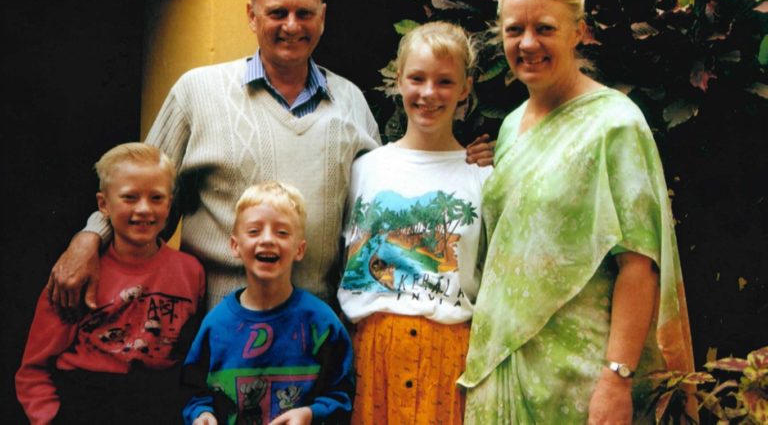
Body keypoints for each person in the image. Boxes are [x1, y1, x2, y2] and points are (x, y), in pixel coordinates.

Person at [47, 0, 381, 311]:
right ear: (252, 16)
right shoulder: (198, 93)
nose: (292, 25)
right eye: (277, 12)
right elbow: (142, 192)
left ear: (322, 17)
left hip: (317, 332)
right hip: (215, 326)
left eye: (304, 13)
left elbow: (380, 211)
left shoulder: (352, 102)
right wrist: (89, 237)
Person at [457, 0, 695, 424]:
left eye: (544, 28)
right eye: (514, 30)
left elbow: (639, 263)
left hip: (580, 382)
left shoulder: (615, 124)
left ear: (577, 32)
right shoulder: (509, 127)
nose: (527, 43)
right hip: (504, 367)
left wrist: (616, 379)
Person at [338, 22, 493, 424]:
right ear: (399, 81)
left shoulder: (484, 177)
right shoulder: (363, 169)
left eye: (445, 82)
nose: (428, 93)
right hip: (370, 355)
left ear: (465, 88)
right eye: (417, 78)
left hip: (451, 356)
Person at [16, 143, 206, 424]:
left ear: (170, 203)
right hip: (86, 405)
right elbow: (33, 371)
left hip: (158, 407)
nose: (144, 209)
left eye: (156, 198)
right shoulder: (76, 274)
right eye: (130, 197)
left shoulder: (191, 272)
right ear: (103, 204)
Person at [182, 181, 354, 425]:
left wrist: (311, 414)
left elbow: (342, 396)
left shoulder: (322, 324)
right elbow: (194, 392)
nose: (267, 240)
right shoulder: (216, 324)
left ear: (299, 249)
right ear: (235, 246)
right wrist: (201, 415)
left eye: (282, 233)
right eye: (254, 231)